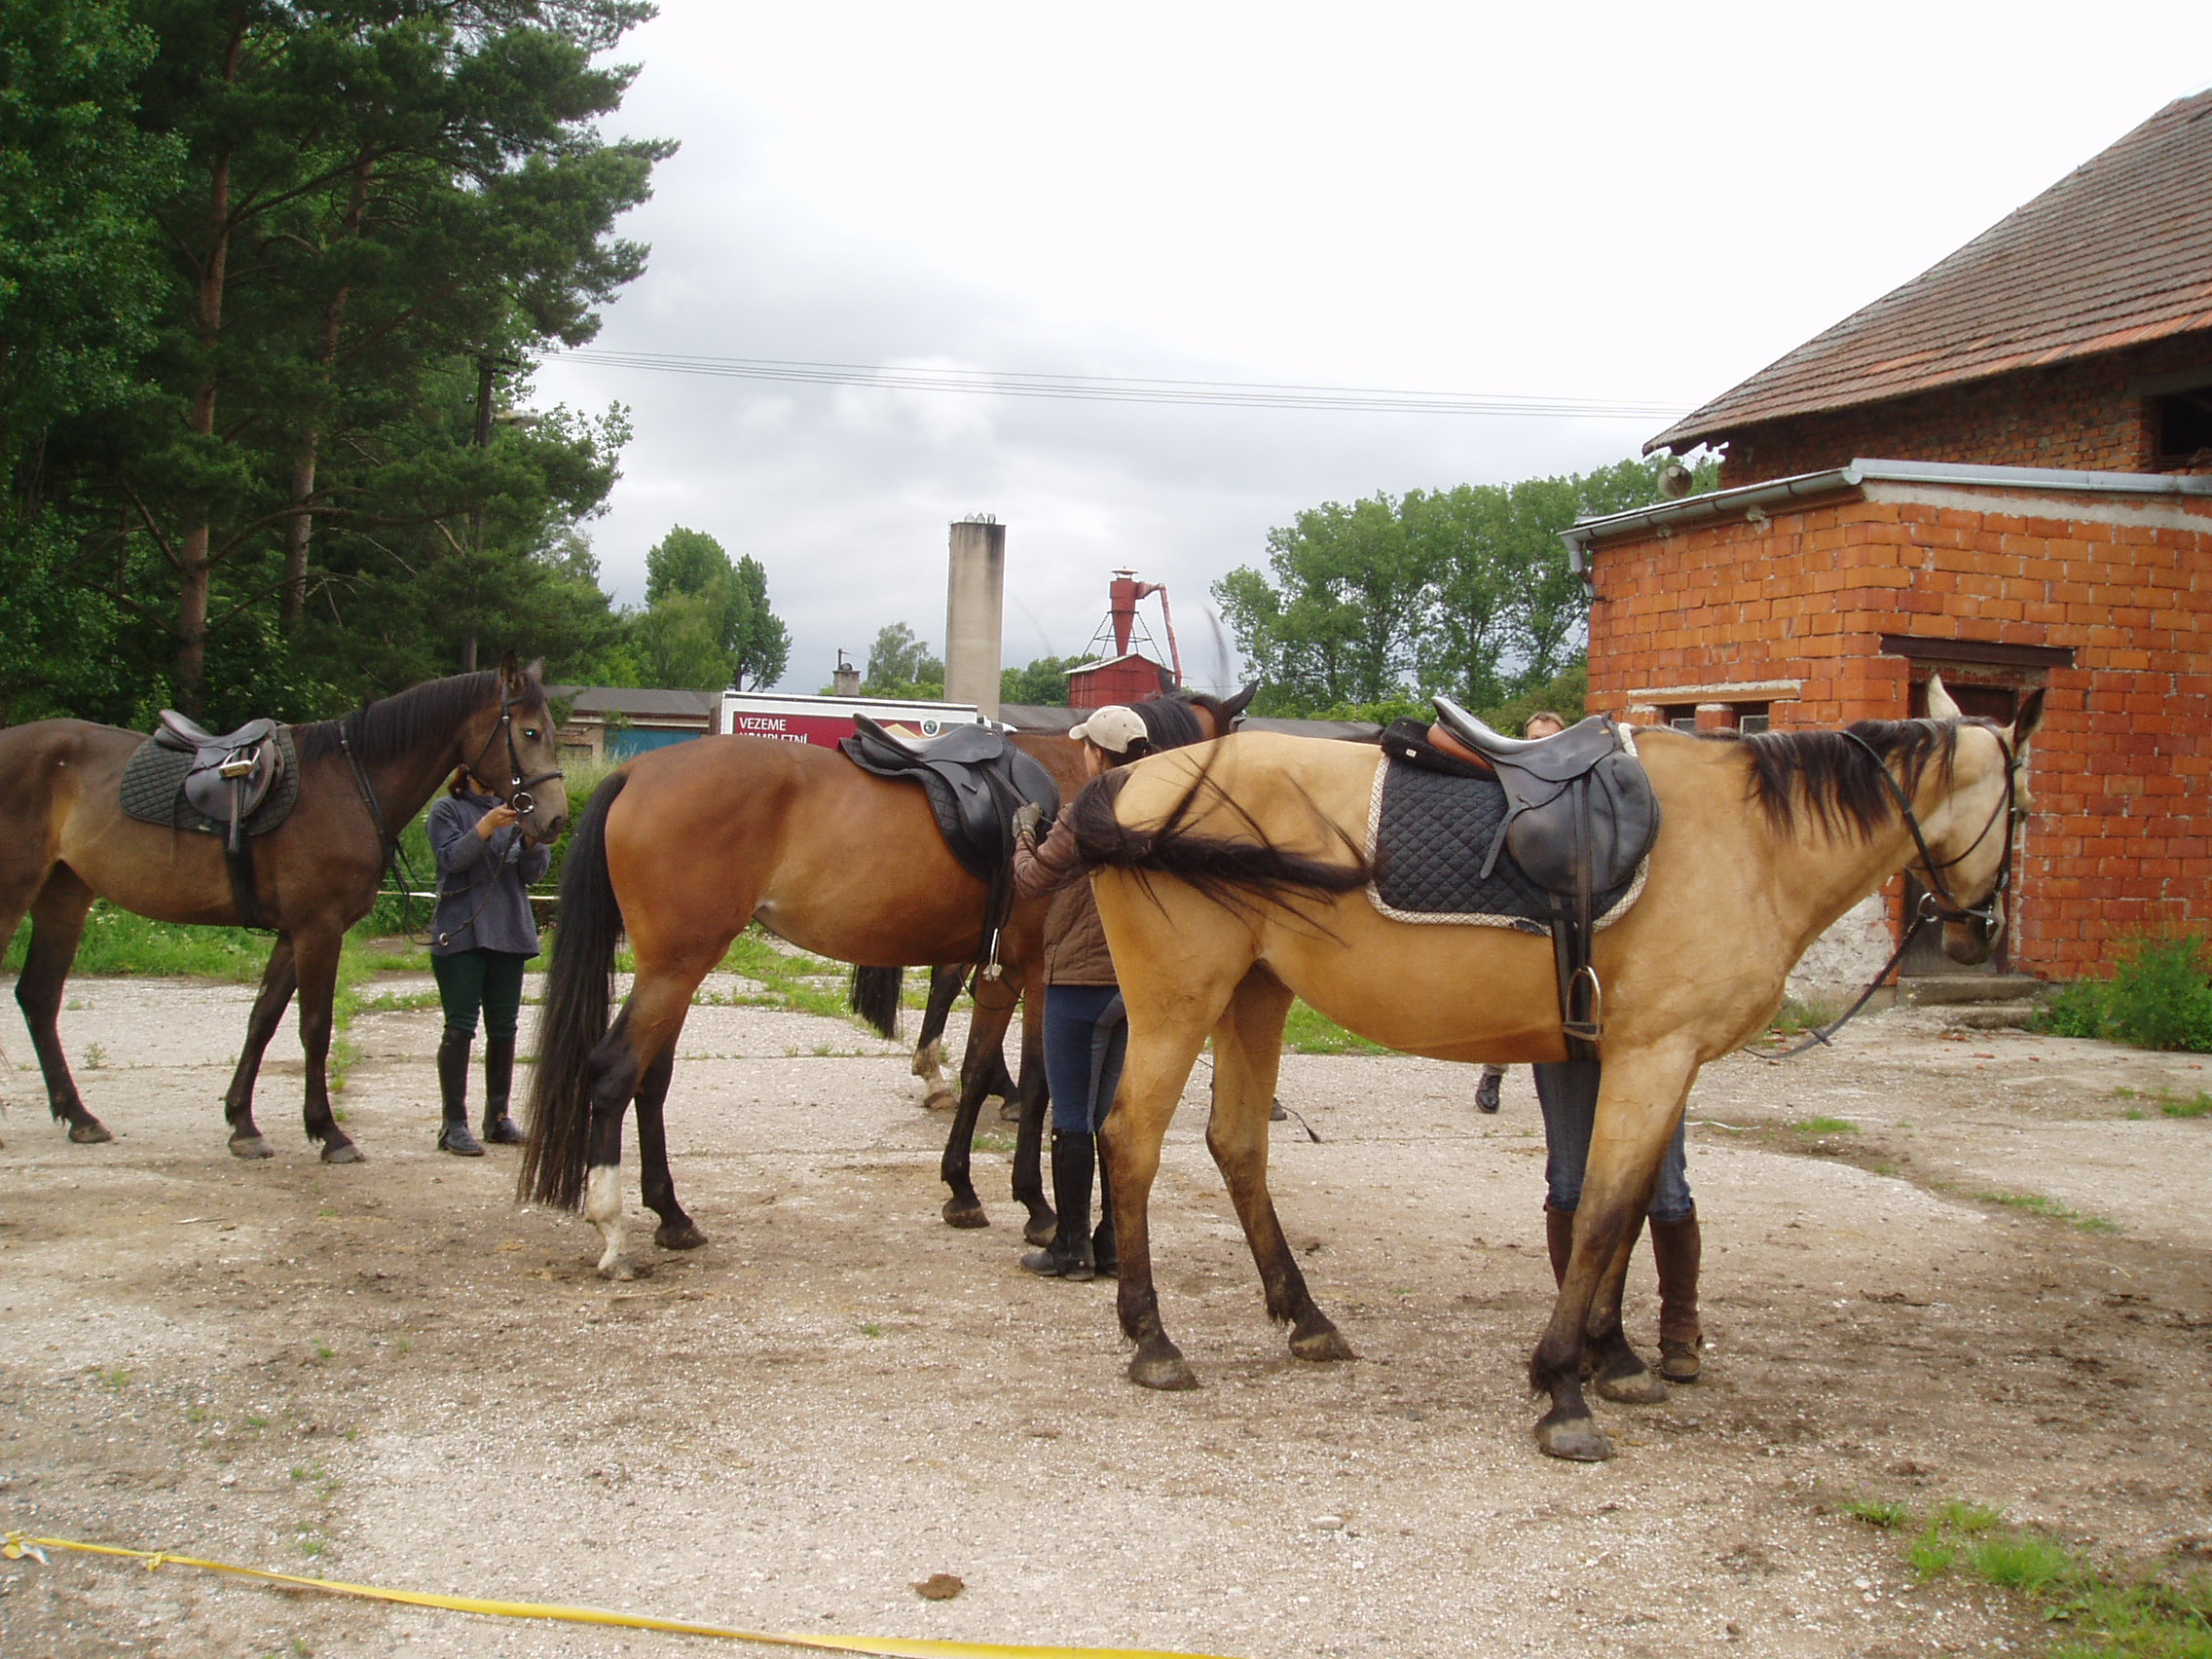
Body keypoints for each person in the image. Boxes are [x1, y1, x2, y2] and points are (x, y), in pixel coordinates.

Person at [1008, 702, 1182, 1281]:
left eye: (1086, 746)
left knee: (1074, 1115)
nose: (1081, 753)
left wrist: (1023, 837)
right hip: (1131, 983)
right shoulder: (1161, 799)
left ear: (1098, 752)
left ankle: (1071, 1247)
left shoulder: (1091, 805)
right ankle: (1112, 1241)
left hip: (1080, 981)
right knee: (1109, 1112)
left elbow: (1034, 882)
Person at [1532, 1059, 1702, 1382]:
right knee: (1568, 1184)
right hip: (1570, 1029)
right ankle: (1576, 1322)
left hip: (1652, 1038)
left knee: (1667, 1191)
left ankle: (1680, 1323)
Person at [425, 766, 550, 1156]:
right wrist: (484, 828)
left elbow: (532, 874)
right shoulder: (447, 810)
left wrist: (533, 841)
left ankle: (498, 1118)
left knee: (504, 1029)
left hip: (509, 934)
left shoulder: (513, 812)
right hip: (460, 933)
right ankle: (454, 1124)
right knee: (460, 1027)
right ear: (469, 774)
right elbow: (451, 859)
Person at [1473, 710, 1569, 1116]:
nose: (1540, 744)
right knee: (1510, 993)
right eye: (1534, 737)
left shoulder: (1578, 787)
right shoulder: (1506, 784)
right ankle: (1493, 1072)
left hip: (1565, 902)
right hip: (1519, 899)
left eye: (1549, 737)